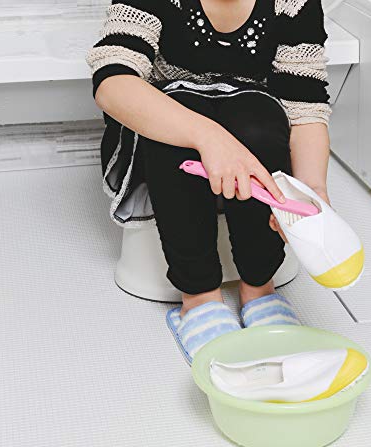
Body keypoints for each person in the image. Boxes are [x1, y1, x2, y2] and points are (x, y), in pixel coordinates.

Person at [86, 0, 332, 362]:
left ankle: (259, 288)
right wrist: (210, 138)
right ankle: (199, 297)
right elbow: (113, 81)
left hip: (251, 122)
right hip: (169, 122)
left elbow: (305, 107)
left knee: (260, 122)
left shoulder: (292, 4)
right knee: (176, 128)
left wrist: (311, 189)